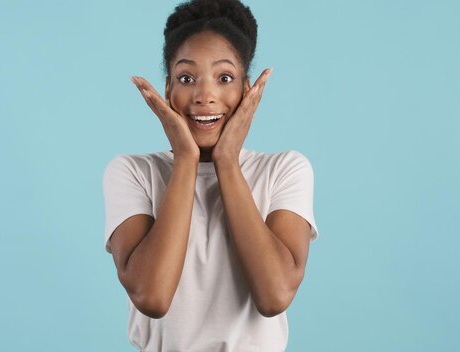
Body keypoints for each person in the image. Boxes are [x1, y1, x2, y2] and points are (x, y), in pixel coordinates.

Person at [102, 0, 318, 350]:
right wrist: (186, 158)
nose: (205, 96)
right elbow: (152, 297)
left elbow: (274, 295)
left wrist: (227, 161)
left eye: (224, 78)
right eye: (187, 78)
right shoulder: (132, 172)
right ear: (168, 89)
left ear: (247, 90)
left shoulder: (284, 170)